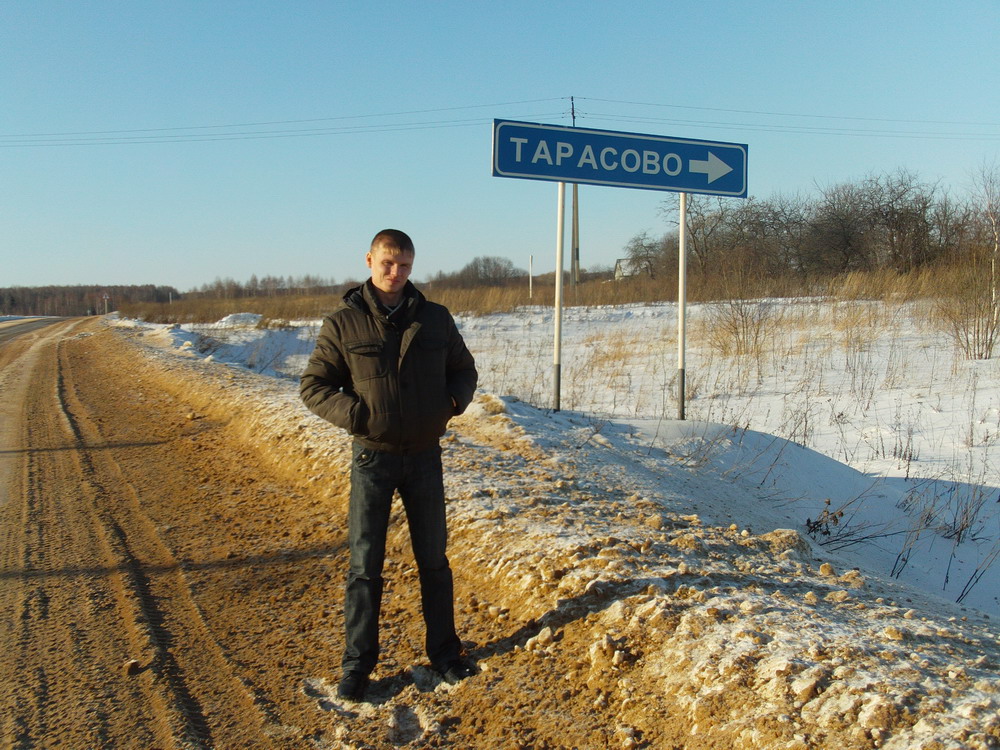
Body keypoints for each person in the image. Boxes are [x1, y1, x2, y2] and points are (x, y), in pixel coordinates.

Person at [300, 229, 479, 702]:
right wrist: (359, 416)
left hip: (424, 456)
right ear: (369, 261)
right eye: (387, 263)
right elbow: (314, 386)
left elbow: (464, 369)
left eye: (404, 265)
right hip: (372, 458)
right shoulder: (344, 323)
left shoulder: (435, 318)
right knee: (365, 566)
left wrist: (451, 403)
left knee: (434, 561)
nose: (395, 273)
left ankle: (445, 653)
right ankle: (357, 666)